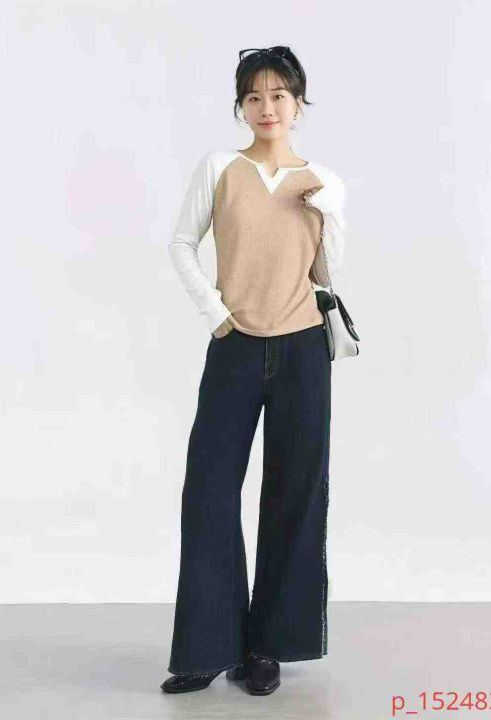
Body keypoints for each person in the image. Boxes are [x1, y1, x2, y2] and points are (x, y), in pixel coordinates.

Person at [160, 45, 347, 696]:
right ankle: (208, 647)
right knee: (209, 491)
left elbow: (328, 271)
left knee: (296, 493)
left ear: (299, 103)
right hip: (235, 346)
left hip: (302, 349)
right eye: (254, 96)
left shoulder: (321, 178)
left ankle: (268, 647)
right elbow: (182, 242)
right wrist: (216, 314)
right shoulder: (220, 168)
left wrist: (328, 209)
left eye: (279, 95)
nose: (267, 107)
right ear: (241, 105)